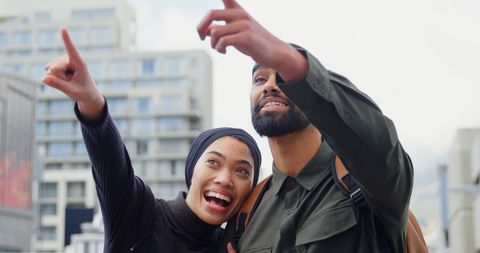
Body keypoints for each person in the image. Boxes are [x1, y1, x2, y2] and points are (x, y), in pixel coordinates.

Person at [197, 0, 414, 252]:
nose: (270, 85)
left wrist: (289, 60)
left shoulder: (368, 182)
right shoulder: (246, 213)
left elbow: (378, 140)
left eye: (283, 76)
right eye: (259, 78)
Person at [42, 27, 262, 253]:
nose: (225, 179)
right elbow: (111, 166)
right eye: (213, 162)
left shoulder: (236, 247)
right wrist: (90, 100)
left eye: (242, 171)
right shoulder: (142, 214)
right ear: (192, 170)